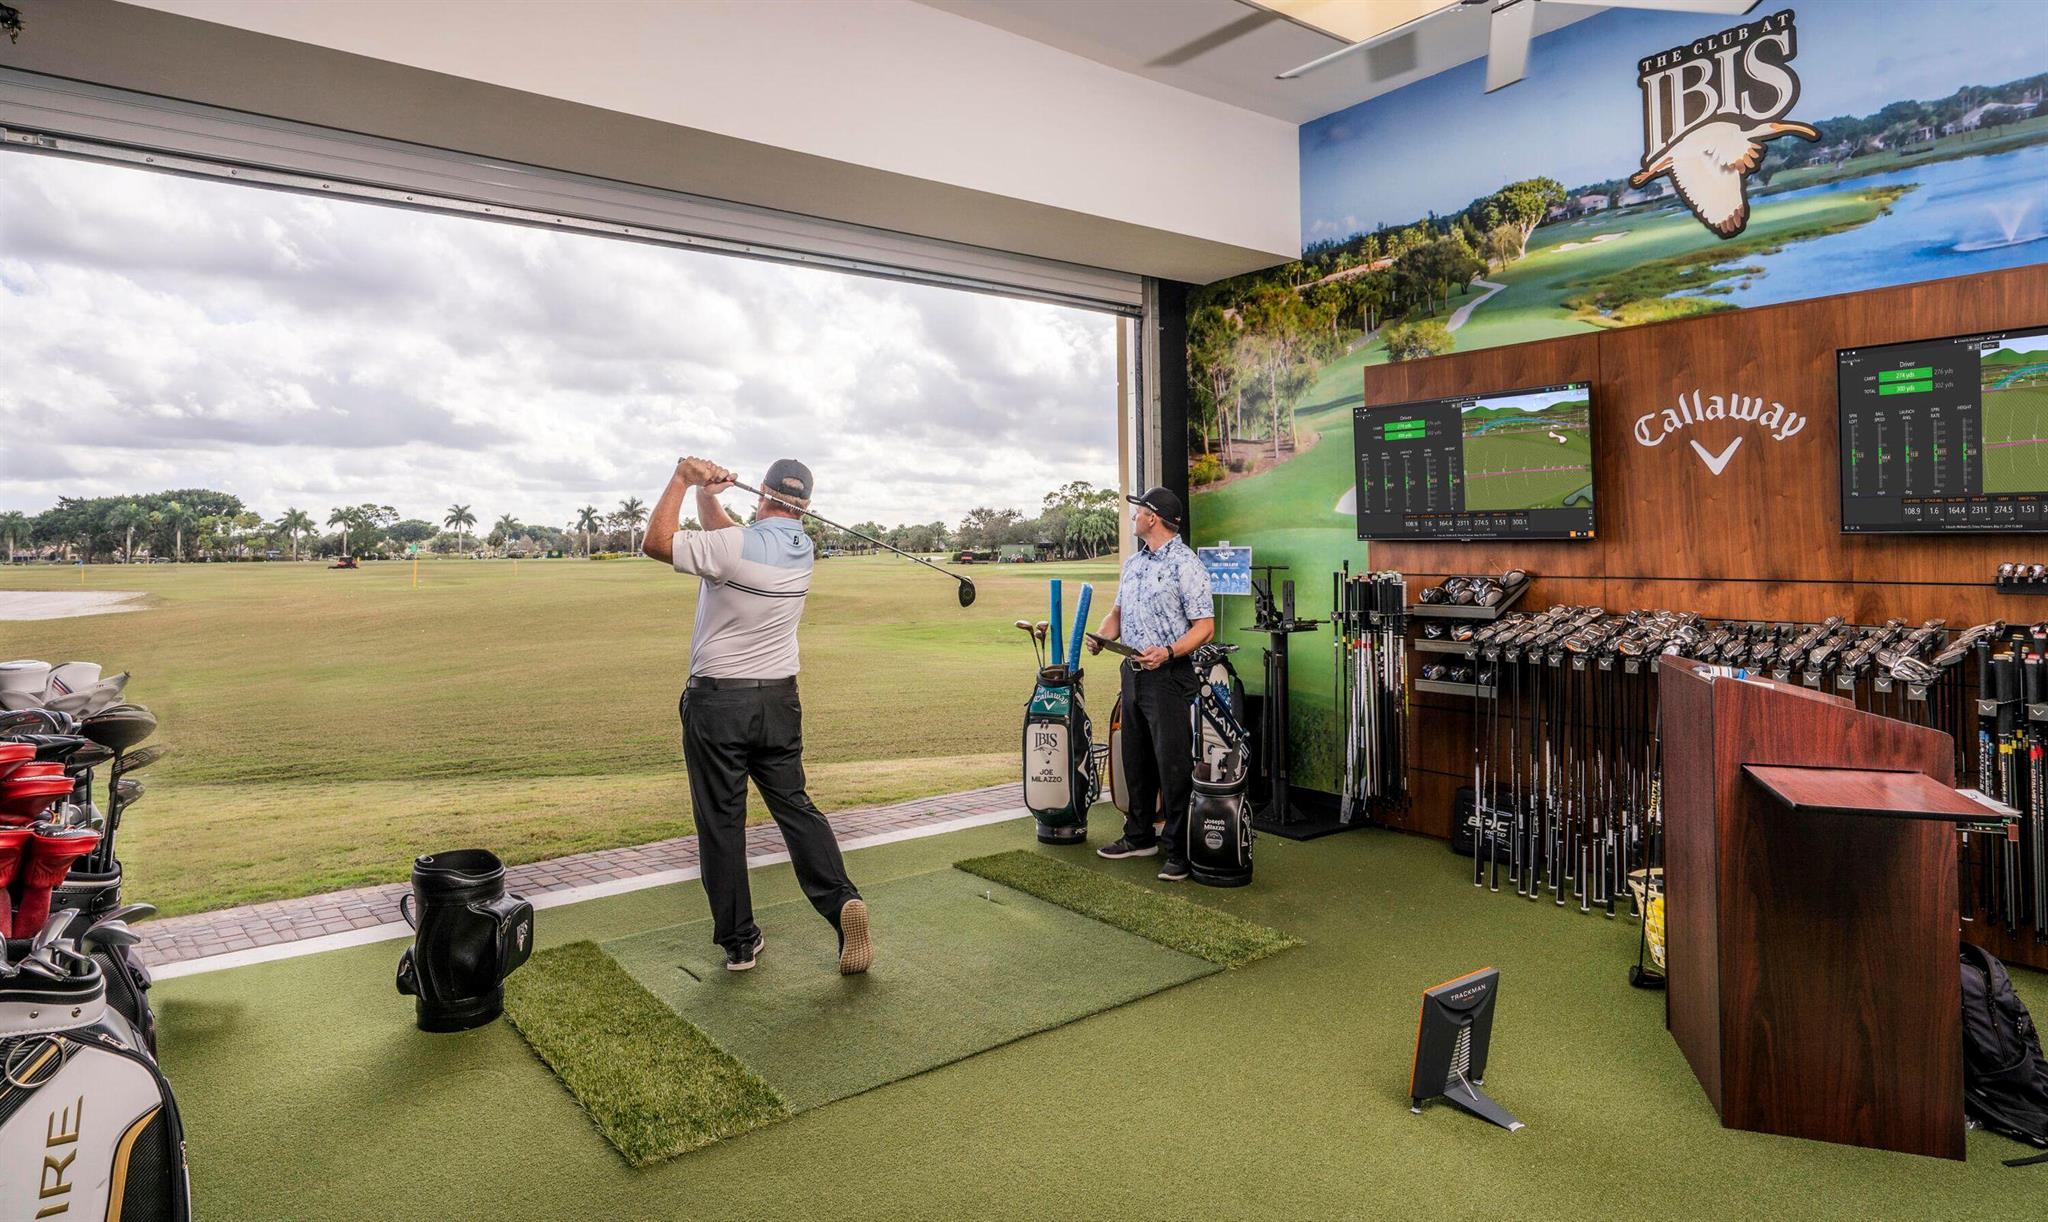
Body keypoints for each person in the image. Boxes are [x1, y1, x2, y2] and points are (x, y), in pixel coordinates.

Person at [642, 455, 871, 974]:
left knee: (721, 822)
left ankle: (739, 942)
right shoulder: (803, 550)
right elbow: (730, 541)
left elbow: (656, 543)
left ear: (762, 493)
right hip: (778, 702)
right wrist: (708, 496)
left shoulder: (734, 546)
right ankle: (842, 902)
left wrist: (683, 480)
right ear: (805, 506)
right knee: (794, 805)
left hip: (718, 704)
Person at [1085, 486, 1215, 880]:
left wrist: (1169, 652)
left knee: (1172, 765)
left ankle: (1178, 849)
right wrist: (1102, 635)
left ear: (1153, 517)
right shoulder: (1133, 564)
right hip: (1133, 674)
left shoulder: (1187, 564)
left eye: (1139, 510)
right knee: (1136, 760)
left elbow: (1205, 628)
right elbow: (1117, 614)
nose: (1134, 516)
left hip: (1170, 676)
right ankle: (1139, 836)